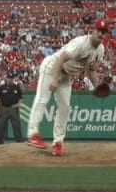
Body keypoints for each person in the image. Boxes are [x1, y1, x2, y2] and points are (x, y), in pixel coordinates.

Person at [26, 20, 109, 157]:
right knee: (42, 99)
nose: (100, 34)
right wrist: (54, 78)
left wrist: (97, 85)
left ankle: (58, 142)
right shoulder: (81, 43)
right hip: (53, 67)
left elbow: (91, 70)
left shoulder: (100, 50)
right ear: (93, 31)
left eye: (104, 32)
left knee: (65, 107)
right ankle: (32, 134)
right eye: (98, 30)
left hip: (66, 75)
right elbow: (61, 59)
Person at [0, 73, 24, 145]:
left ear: (13, 79)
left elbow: (21, 99)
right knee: (1, 125)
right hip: (4, 108)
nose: (10, 79)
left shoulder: (17, 87)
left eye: (11, 78)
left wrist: (17, 104)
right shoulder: (1, 87)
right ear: (6, 78)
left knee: (16, 125)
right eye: (8, 78)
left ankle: (19, 141)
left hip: (13, 109)